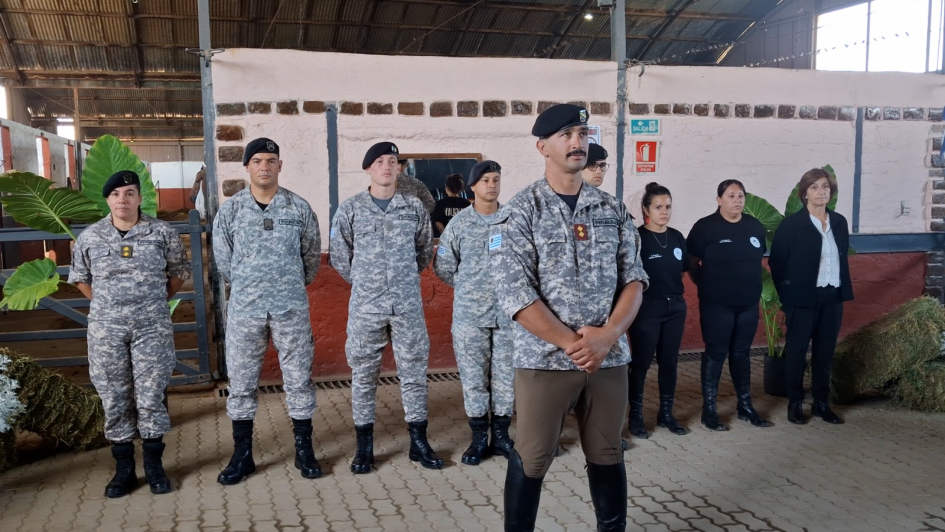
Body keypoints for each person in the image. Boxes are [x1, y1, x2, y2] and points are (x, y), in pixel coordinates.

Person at [494, 104, 648, 532]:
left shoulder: (611, 209)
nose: (577, 142)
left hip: (607, 361)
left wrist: (608, 336)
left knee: (607, 452)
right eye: (565, 135)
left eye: (581, 133)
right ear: (543, 146)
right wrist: (573, 344)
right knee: (533, 456)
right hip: (545, 362)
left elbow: (634, 279)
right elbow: (516, 294)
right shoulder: (522, 210)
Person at [69, 170, 191, 497]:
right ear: (107, 199)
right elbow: (80, 277)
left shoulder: (162, 232)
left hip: (151, 326)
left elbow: (178, 273)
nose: (123, 200)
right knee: (113, 394)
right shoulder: (90, 237)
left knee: (151, 394)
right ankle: (124, 468)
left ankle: (153, 465)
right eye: (116, 194)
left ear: (139, 197)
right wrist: (107, 304)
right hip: (106, 329)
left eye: (129, 193)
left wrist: (153, 300)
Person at [212, 138, 323, 485]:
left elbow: (310, 258)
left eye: (271, 160)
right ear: (246, 167)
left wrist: (285, 283)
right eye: (257, 160)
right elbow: (224, 262)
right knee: (242, 383)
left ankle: (304, 450)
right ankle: (242, 454)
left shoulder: (298, 208)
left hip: (290, 308)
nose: (264, 166)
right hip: (246, 310)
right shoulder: (230, 212)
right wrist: (252, 284)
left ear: (279, 165)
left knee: (299, 380)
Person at [329, 141, 443, 474]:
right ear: (368, 168)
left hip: (407, 305)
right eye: (379, 161)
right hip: (366, 307)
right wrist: (368, 282)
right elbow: (339, 256)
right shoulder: (350, 209)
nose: (387, 166)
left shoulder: (414, 208)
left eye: (393, 161)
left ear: (399, 168)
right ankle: (364, 446)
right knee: (363, 376)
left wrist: (401, 279)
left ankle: (418, 442)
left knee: (414, 374)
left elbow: (423, 252)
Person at [433, 160, 514, 466]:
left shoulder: (513, 220)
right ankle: (480, 437)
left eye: (496, 179)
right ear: (473, 186)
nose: (491, 185)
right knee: (474, 378)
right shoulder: (460, 224)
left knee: (505, 377)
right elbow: (443, 266)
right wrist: (470, 288)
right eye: (485, 181)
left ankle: (502, 437)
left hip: (508, 314)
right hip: (470, 316)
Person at [686, 180, 772, 431]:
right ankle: (709, 410)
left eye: (741, 196)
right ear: (719, 199)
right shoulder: (705, 227)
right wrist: (705, 285)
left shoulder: (754, 226)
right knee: (716, 353)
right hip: (717, 304)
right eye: (731, 195)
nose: (737, 200)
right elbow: (692, 262)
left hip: (747, 303)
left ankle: (745, 406)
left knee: (742, 353)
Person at [770, 168, 853, 425]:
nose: (821, 192)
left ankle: (821, 403)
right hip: (801, 298)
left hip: (832, 295)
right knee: (796, 351)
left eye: (825, 187)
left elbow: (840, 258)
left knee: (825, 352)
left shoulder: (839, 222)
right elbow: (777, 262)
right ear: (804, 193)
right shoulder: (792, 224)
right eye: (815, 187)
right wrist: (788, 296)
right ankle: (795, 403)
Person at [627, 182, 690, 439]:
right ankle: (636, 417)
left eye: (668, 207)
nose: (664, 212)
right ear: (646, 209)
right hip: (647, 307)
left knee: (670, 362)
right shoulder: (637, 238)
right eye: (658, 207)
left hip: (675, 306)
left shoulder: (676, 237)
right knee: (641, 363)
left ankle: (666, 414)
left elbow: (682, 269)